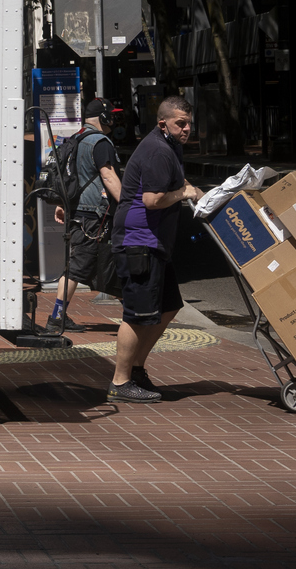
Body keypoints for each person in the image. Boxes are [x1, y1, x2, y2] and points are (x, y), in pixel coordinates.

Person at [110, 94, 202, 404]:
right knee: (136, 315)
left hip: (155, 243)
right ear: (163, 123)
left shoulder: (168, 146)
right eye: (181, 123)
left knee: (169, 305)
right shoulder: (158, 151)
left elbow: (174, 180)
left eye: (189, 123)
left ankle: (136, 369)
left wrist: (190, 188)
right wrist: (183, 192)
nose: (187, 128)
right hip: (139, 243)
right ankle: (120, 382)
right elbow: (152, 200)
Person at [47, 102, 124, 332]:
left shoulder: (77, 138)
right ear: (103, 117)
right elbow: (108, 177)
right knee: (78, 268)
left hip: (80, 212)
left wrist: (62, 203)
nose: (114, 119)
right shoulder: (100, 142)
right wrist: (130, 205)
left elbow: (71, 176)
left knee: (98, 263)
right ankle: (56, 319)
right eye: (112, 115)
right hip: (93, 215)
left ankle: (135, 311)